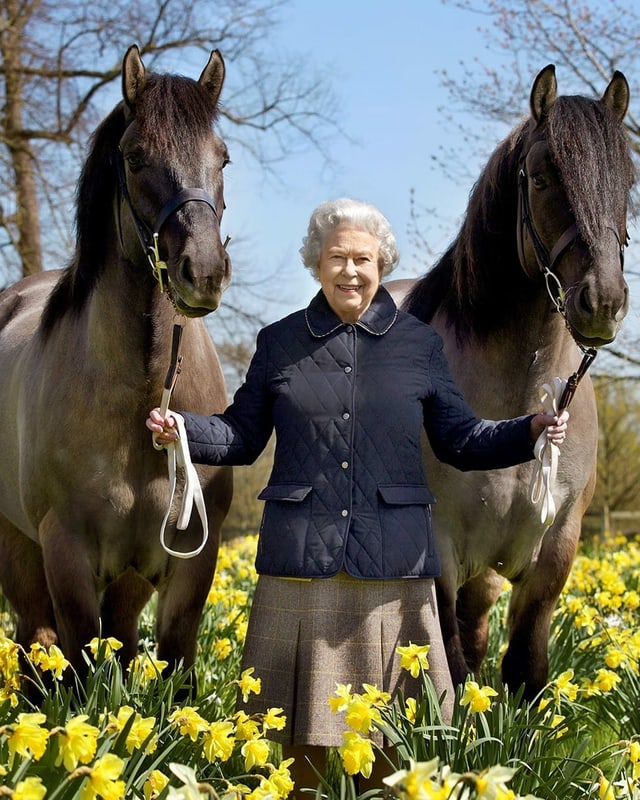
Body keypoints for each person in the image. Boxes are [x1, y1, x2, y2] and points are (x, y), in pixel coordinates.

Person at [147, 197, 568, 789]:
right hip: (299, 567)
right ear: (315, 264)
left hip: (395, 569)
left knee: (392, 753)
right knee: (291, 756)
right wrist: (185, 430)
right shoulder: (279, 343)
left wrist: (530, 431)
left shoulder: (420, 346)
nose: (351, 271)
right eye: (337, 257)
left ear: (381, 264)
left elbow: (462, 439)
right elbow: (241, 436)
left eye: (363, 260)